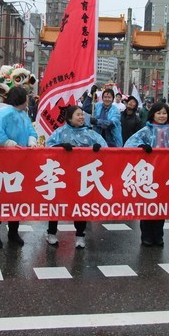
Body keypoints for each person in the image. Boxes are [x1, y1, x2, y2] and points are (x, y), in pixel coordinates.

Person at [125, 102, 169, 246]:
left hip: (165, 174)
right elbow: (130, 143)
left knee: (161, 205)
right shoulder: (146, 131)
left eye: (164, 113)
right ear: (153, 114)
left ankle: (158, 235)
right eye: (159, 113)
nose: (162, 116)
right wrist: (141, 146)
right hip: (148, 175)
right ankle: (146, 236)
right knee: (147, 205)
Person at [0, 86, 37, 248]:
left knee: (16, 198)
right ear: (22, 99)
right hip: (1, 164)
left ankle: (13, 232)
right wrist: (7, 142)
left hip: (18, 163)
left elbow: (31, 131)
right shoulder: (5, 113)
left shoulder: (22, 115)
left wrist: (31, 140)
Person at [45, 105, 108, 248]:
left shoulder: (90, 134)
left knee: (80, 206)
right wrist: (60, 146)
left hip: (82, 177)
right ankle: (51, 233)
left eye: (82, 114)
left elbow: (105, 147)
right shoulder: (60, 132)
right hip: (62, 176)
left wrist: (97, 148)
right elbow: (48, 147)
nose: (81, 117)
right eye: (78, 115)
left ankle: (80, 235)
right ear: (69, 118)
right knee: (57, 204)